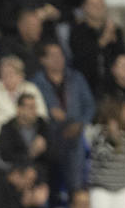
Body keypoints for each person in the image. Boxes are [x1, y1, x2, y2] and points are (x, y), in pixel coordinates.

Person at [34, 42, 96, 198]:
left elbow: (90, 105)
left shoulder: (76, 78)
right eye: (52, 56)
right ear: (43, 60)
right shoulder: (36, 82)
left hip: (74, 133)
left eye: (60, 55)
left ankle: (76, 196)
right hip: (49, 134)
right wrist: (48, 112)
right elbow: (31, 107)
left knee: (76, 145)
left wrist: (80, 123)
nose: (58, 59)